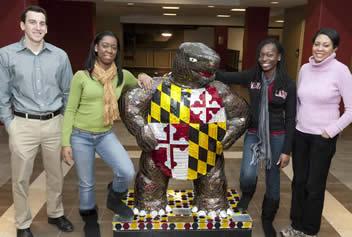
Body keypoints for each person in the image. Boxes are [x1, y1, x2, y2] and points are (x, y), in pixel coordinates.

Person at [61, 31, 152, 237]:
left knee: (127, 171)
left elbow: (139, 81)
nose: (109, 50)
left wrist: (144, 75)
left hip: (105, 134)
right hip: (80, 135)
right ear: (96, 47)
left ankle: (114, 197)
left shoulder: (121, 76)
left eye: (113, 47)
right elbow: (70, 110)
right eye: (105, 45)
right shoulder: (81, 76)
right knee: (86, 183)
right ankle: (90, 220)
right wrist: (65, 142)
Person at [0, 5, 74, 237]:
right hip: (23, 124)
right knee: (21, 178)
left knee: (56, 173)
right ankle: (22, 224)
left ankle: (55, 212)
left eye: (42, 23)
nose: (38, 27)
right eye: (32, 22)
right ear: (22, 25)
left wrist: (64, 122)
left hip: (54, 123)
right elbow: (2, 95)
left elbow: (68, 93)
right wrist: (10, 124)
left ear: (46, 28)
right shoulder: (6, 54)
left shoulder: (60, 55)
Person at [216, 38, 296, 237]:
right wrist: (200, 70)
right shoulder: (253, 76)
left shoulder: (288, 83)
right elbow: (225, 76)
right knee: (247, 175)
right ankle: (247, 195)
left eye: (270, 55)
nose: (265, 59)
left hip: (277, 137)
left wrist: (287, 150)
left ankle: (267, 220)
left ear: (278, 57)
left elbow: (292, 118)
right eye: (261, 55)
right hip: (254, 133)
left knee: (273, 183)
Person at [280, 28, 352, 237]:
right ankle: (296, 225)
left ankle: (309, 230)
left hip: (323, 138)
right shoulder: (304, 69)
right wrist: (293, 128)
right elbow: (300, 102)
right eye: (317, 44)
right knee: (299, 182)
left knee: (314, 185)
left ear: (334, 48)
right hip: (301, 134)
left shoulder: (341, 71)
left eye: (326, 45)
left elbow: (350, 110)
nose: (320, 48)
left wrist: (330, 131)